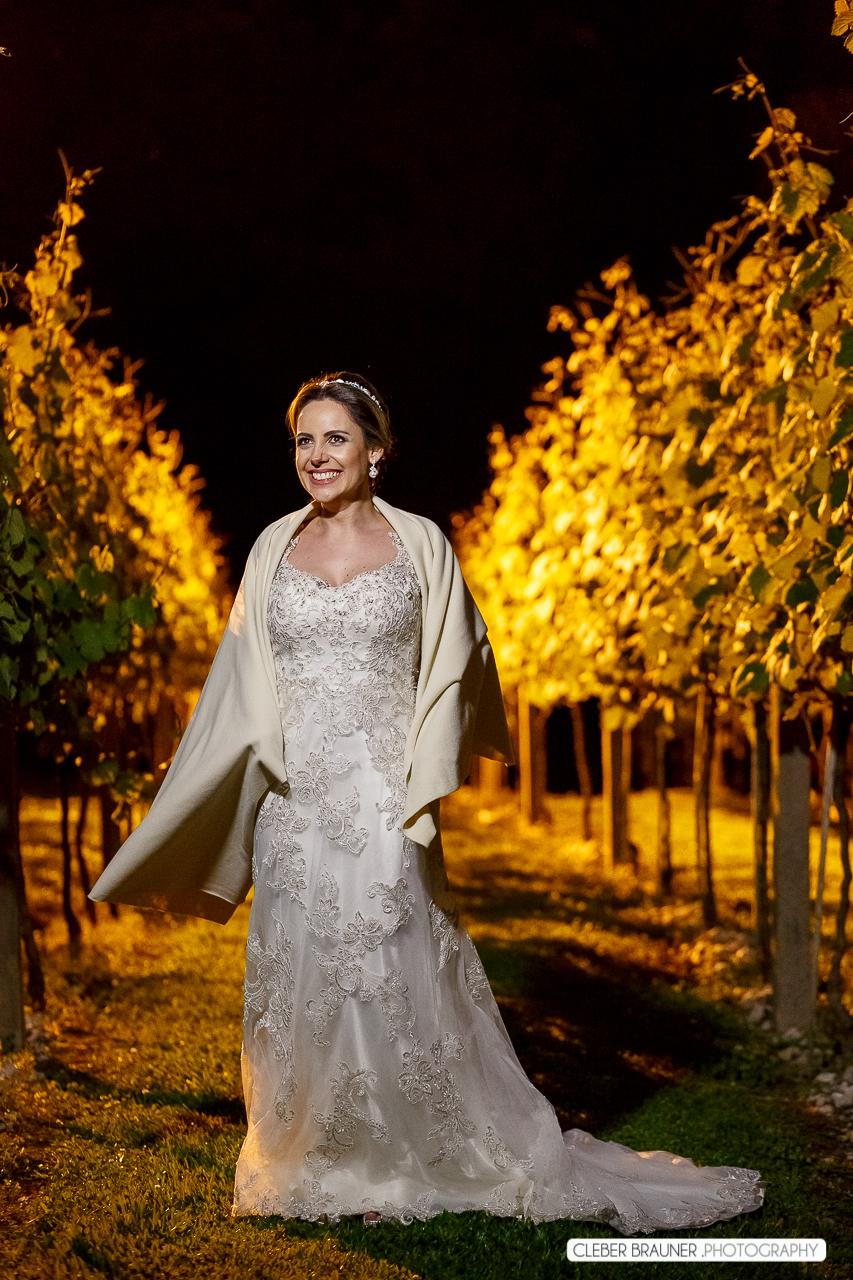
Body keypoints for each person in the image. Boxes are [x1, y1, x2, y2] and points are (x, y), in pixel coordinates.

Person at [91, 372, 764, 1232]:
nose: (316, 455)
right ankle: (312, 1152)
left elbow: (460, 657)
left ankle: (407, 1153)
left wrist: (426, 770)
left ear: (375, 449)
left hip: (382, 793)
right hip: (294, 802)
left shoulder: (421, 546)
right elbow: (238, 679)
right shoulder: (270, 548)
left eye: (335, 438)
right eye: (304, 440)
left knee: (388, 965)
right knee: (300, 970)